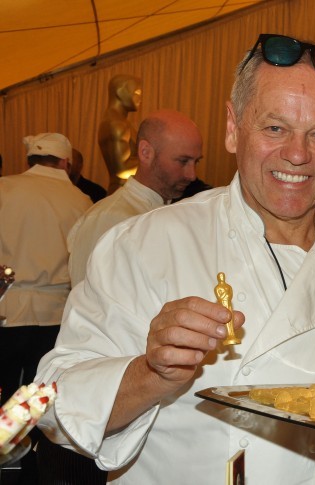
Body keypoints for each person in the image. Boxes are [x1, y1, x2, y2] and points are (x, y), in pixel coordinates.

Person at [36, 33, 315, 484]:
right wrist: (152, 372)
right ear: (233, 127)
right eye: (275, 128)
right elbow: (53, 406)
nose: (297, 155)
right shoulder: (144, 242)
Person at [0, 132, 91, 482]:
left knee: (7, 388)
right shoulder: (81, 199)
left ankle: (7, 460)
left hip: (9, 308)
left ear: (29, 160)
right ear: (66, 162)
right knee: (37, 397)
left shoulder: (5, 189)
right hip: (57, 313)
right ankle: (24, 463)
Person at [67, 109, 202, 287]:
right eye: (182, 161)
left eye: (196, 162)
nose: (192, 175)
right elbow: (93, 304)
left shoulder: (172, 212)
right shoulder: (110, 218)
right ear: (146, 152)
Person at [98, 74, 142, 193]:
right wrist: (154, 160)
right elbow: (122, 169)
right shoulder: (116, 124)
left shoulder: (120, 122)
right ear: (120, 92)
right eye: (136, 93)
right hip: (123, 192)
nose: (140, 98)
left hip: (126, 191)